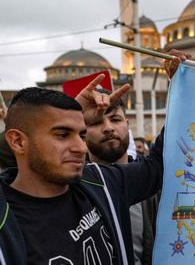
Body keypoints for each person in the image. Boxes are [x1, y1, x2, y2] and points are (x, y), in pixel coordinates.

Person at [0, 76, 164, 264]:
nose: (81, 148)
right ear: (18, 141)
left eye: (82, 135)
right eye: (62, 135)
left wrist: (187, 86)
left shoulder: (99, 182)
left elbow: (159, 164)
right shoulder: (6, 224)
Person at [85, 89, 158, 265]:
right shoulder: (71, 187)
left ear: (127, 124)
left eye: (115, 119)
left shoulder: (157, 182)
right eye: (96, 122)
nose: (108, 127)